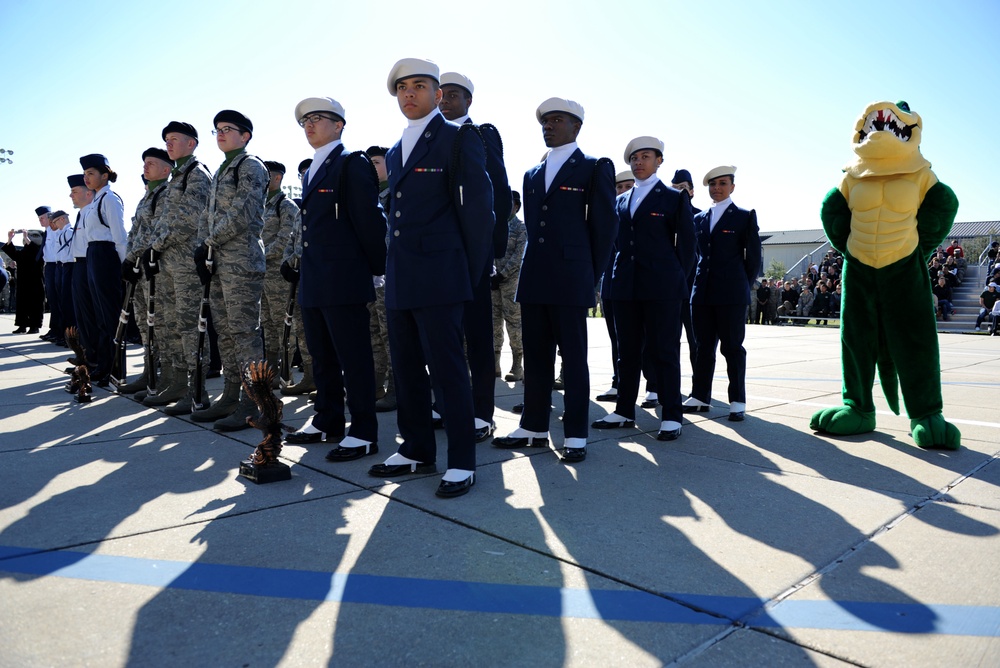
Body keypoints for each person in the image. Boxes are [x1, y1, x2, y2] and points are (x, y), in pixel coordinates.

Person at [366, 58, 493, 498]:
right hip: (403, 274)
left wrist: (469, 275)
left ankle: (461, 460)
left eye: (419, 86)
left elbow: (479, 212)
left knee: (447, 370)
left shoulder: (459, 137)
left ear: (439, 95)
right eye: (402, 88)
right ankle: (417, 447)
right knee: (406, 368)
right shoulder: (398, 148)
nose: (409, 94)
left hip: (441, 275)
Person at [492, 97, 617, 463]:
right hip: (536, 277)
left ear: (576, 126)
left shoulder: (594, 167)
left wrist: (590, 278)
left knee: (573, 358)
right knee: (536, 354)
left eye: (557, 120)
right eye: (545, 121)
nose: (548, 126)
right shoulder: (532, 173)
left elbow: (605, 228)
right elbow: (535, 229)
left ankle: (576, 433)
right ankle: (533, 426)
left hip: (571, 276)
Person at [282, 97, 386, 464]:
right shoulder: (312, 169)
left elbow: (371, 222)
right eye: (305, 120)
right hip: (316, 279)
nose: (309, 125)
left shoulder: (350, 164)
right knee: (320, 355)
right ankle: (328, 419)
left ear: (339, 125)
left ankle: (363, 431)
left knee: (354, 358)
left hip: (343, 278)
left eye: (318, 118)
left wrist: (375, 267)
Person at [591, 136, 694, 441]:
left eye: (645, 157)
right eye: (634, 158)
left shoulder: (674, 199)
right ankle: (624, 410)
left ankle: (672, 414)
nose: (638, 162)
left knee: (664, 351)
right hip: (625, 288)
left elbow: (688, 248)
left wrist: (676, 281)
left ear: (659, 161)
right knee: (627, 352)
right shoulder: (620, 200)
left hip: (662, 288)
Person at [190, 110, 268, 430]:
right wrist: (204, 249)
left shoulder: (250, 166)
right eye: (217, 130)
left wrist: (209, 241)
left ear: (245, 135)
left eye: (227, 129)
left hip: (241, 261)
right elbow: (209, 217)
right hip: (220, 262)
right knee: (224, 333)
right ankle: (232, 394)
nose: (220, 134)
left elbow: (242, 214)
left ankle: (255, 401)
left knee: (244, 333)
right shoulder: (224, 169)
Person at [682, 166, 761, 421]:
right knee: (702, 347)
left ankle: (737, 400)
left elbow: (754, 260)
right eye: (712, 184)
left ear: (732, 187)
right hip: (702, 293)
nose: (717, 188)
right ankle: (700, 396)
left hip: (731, 294)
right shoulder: (698, 219)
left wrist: (741, 286)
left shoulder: (743, 216)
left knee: (732, 348)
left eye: (722, 183)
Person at [120, 147, 173, 394]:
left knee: (160, 323)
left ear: (166, 169)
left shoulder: (166, 194)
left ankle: (164, 376)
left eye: (150, 163)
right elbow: (135, 233)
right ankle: (148, 371)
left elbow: (154, 232)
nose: (145, 167)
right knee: (144, 325)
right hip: (140, 268)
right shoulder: (147, 196)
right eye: (144, 163)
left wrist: (131, 257)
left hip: (156, 269)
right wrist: (130, 259)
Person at [79, 153, 127, 386]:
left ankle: (115, 368)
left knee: (110, 316)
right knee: (100, 316)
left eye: (91, 173)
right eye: (85, 174)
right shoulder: (95, 201)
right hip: (93, 254)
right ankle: (104, 365)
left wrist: (124, 265)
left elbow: (119, 236)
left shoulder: (110, 199)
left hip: (107, 255)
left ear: (104, 175)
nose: (86, 178)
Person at [595, 170, 636, 403]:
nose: (622, 191)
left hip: (639, 285)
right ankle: (617, 382)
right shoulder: (609, 215)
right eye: (618, 188)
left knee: (645, 340)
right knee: (616, 338)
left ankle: (653, 385)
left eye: (627, 186)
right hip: (612, 284)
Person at [259, 161, 301, 375]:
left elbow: (285, 239)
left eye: (266, 175)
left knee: (284, 323)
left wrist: (258, 255)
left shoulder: (286, 206)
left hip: (278, 275)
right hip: (261, 275)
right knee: (267, 324)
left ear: (277, 178)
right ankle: (272, 368)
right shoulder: (259, 206)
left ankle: (285, 368)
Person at [493, 191, 526, 381]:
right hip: (493, 281)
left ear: (516, 206)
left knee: (514, 324)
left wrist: (503, 273)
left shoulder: (520, 228)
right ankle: (495, 362)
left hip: (511, 282)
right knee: (493, 323)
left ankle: (517, 365)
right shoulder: (494, 226)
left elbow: (519, 255)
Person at [3, 209, 47, 334]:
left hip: (35, 282)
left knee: (35, 304)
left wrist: (27, 237)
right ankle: (22, 325)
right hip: (23, 282)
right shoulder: (24, 252)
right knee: (21, 304)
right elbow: (13, 254)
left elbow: (36, 253)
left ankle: (35, 326)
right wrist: (10, 239)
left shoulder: (40, 250)